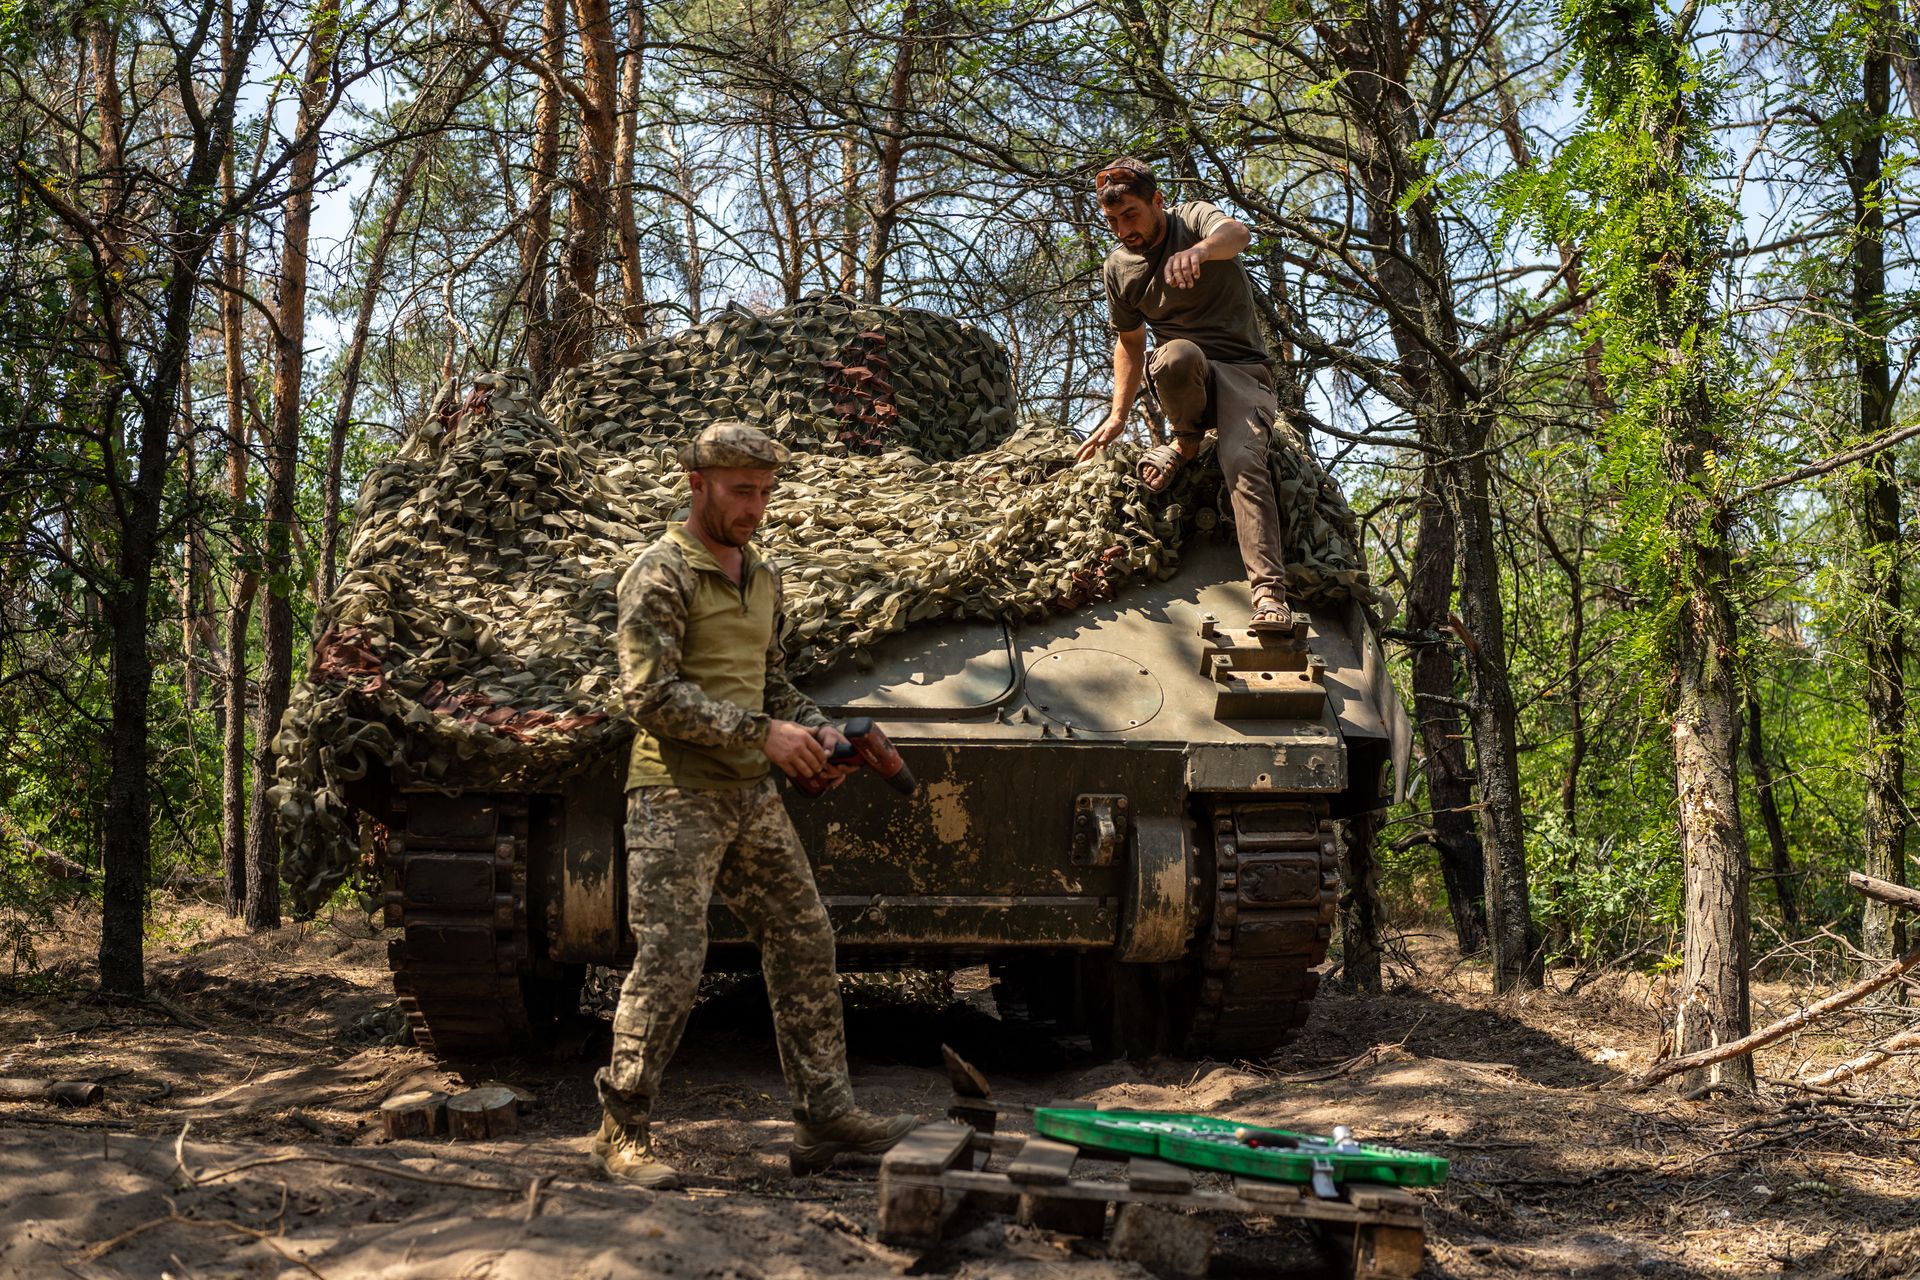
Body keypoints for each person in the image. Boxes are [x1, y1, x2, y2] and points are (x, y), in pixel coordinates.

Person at [591, 421, 916, 1188]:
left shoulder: (760, 575)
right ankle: (620, 1132)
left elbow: (773, 688)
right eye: (742, 492)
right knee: (671, 960)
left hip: (748, 795)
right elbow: (648, 694)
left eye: (766, 492)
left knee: (805, 940)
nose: (756, 508)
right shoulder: (660, 573)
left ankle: (824, 1118)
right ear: (695, 483)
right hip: (674, 793)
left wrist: (817, 732)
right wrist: (762, 734)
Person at [1075, 156, 1294, 632]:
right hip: (1186, 378)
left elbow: (1238, 233)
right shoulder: (1118, 269)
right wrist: (1117, 415)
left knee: (1242, 460)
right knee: (1173, 355)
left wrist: (1200, 252)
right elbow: (1130, 344)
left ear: (1157, 201)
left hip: (1242, 375)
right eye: (1111, 220)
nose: (1121, 229)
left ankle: (1269, 595)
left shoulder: (1192, 220)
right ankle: (1187, 440)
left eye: (1130, 214)